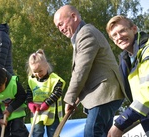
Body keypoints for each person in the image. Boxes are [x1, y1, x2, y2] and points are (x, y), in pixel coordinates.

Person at [53, 5, 125, 136]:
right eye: (58, 26)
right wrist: (74, 98)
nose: (60, 29)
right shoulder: (80, 36)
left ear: (74, 17)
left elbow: (81, 70)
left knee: (91, 132)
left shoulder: (86, 33)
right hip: (103, 95)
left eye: (61, 24)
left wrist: (69, 98)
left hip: (103, 94)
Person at [106, 15, 149, 136]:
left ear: (134, 29)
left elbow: (147, 93)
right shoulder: (127, 60)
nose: (119, 37)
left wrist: (120, 123)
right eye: (114, 35)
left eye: (122, 30)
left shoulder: (147, 51)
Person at [26, 49, 65, 137]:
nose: (38, 74)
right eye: (35, 72)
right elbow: (29, 94)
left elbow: (57, 92)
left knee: (53, 134)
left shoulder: (55, 80)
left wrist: (47, 103)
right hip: (37, 113)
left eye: (40, 71)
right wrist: (30, 103)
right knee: (37, 133)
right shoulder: (31, 80)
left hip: (52, 114)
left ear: (46, 66)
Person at [0, 67, 28, 137]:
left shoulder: (14, 84)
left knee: (18, 132)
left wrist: (10, 109)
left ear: (5, 80)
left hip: (15, 113)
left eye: (0, 88)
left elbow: (22, 96)